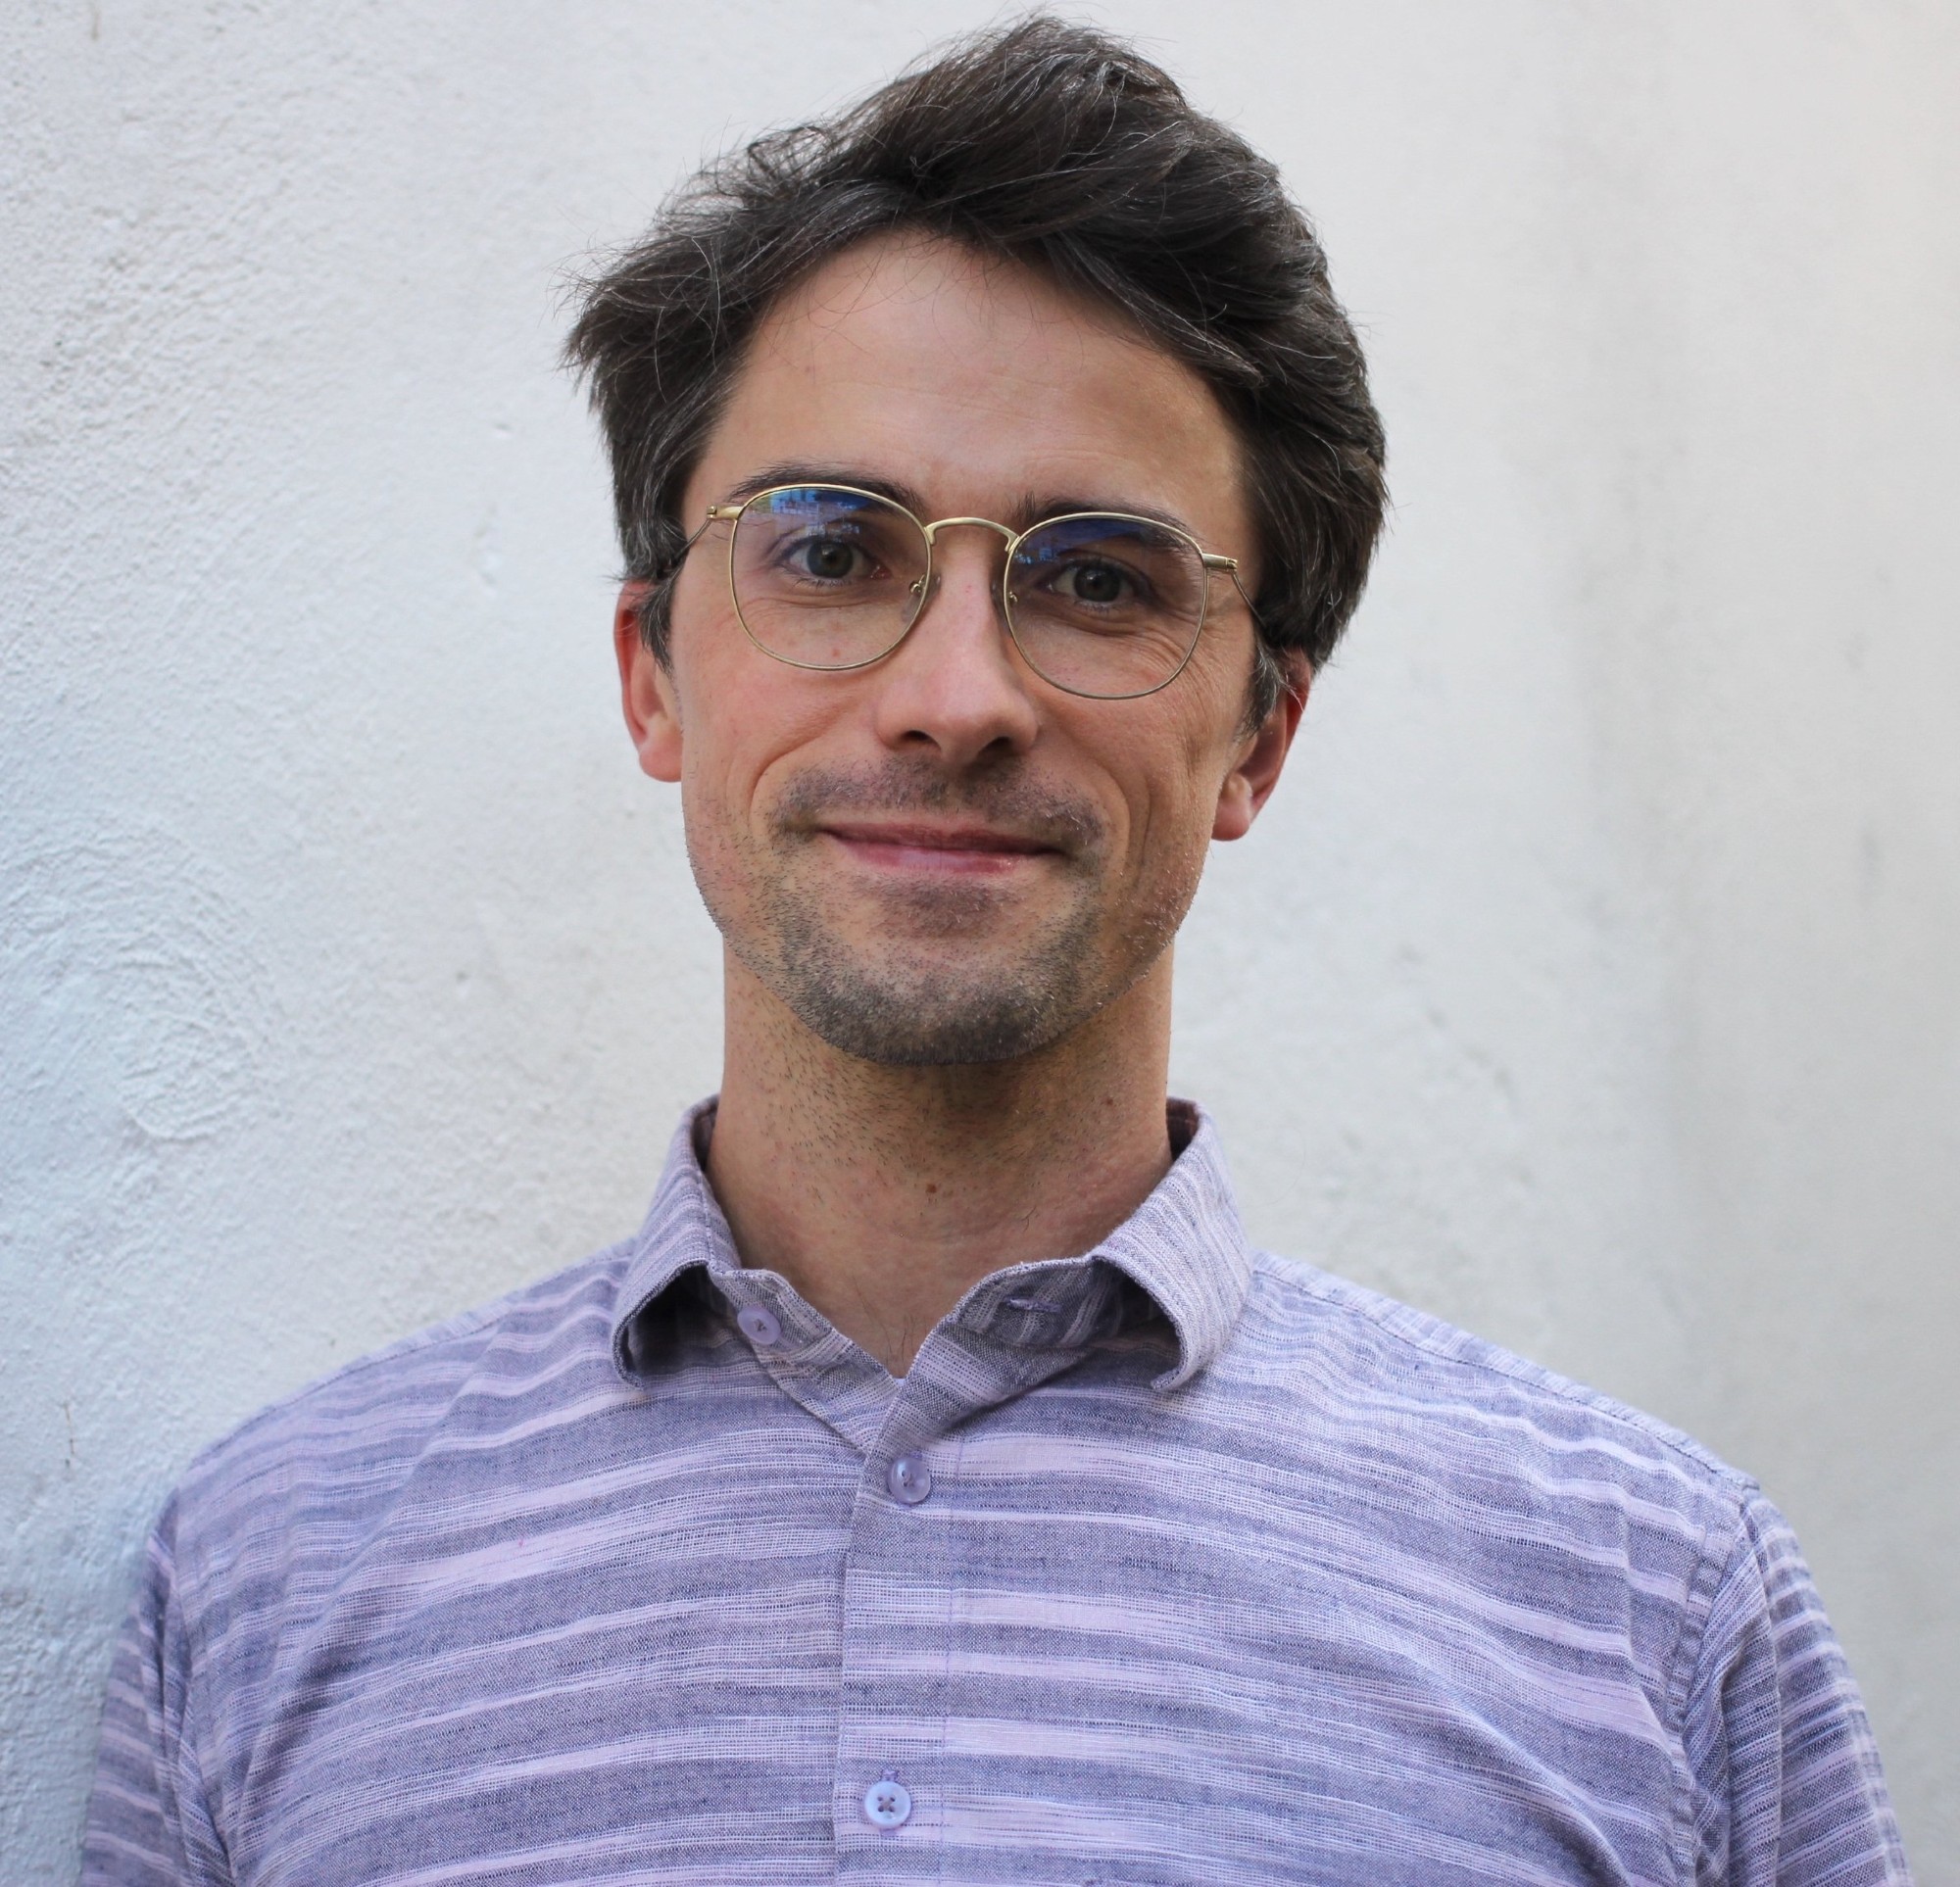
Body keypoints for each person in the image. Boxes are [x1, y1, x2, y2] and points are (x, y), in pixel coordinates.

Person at [82, 18, 1909, 1885]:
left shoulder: (1653, 1614)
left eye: (1099, 578)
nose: (956, 697)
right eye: (828, 550)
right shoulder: (260, 1588)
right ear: (654, 678)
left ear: (1260, 737)